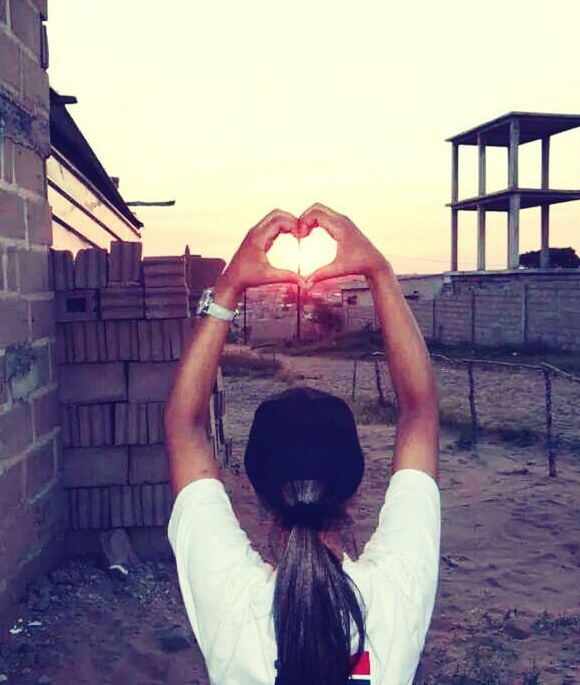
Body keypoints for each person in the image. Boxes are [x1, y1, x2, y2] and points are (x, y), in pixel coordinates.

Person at [164, 203, 441, 685]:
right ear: (354, 489)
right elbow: (419, 411)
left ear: (257, 493)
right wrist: (379, 272)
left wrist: (228, 287)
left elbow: (182, 425)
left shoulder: (234, 603)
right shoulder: (394, 595)